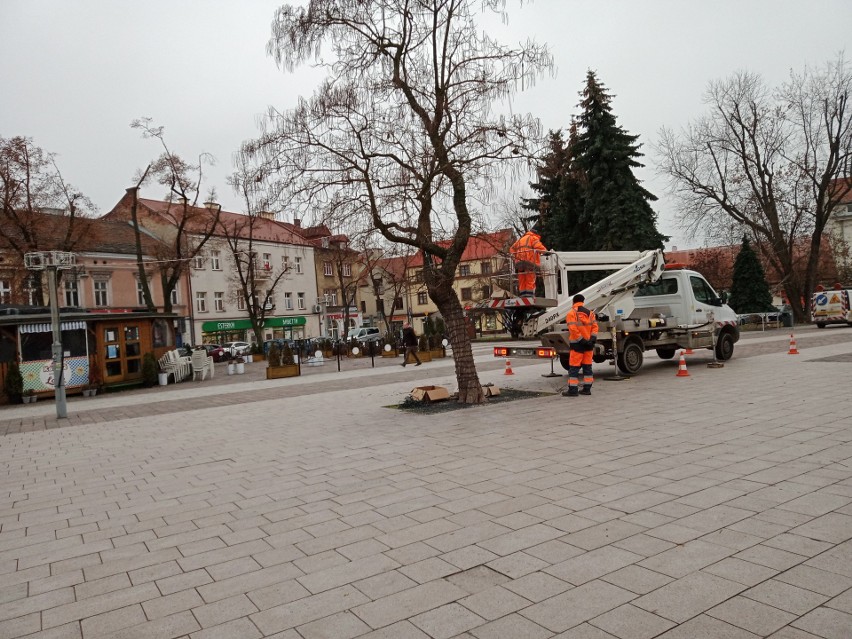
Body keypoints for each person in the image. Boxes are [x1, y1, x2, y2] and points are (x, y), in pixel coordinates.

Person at [562, 293, 598, 397]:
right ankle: (587, 389)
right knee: (587, 367)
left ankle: (573, 390)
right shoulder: (590, 313)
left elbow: (573, 329)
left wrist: (581, 340)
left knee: (574, 367)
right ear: (583, 301)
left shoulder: (571, 313)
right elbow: (595, 327)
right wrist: (592, 339)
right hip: (589, 345)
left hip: (577, 345)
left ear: (573, 301)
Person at [509, 227, 547, 297]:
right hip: (530, 262)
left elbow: (511, 249)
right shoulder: (533, 238)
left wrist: (515, 257)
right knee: (530, 279)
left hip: (519, 263)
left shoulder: (520, 239)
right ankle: (529, 296)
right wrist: (546, 252)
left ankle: (523, 296)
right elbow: (539, 247)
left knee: (522, 280)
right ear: (535, 234)